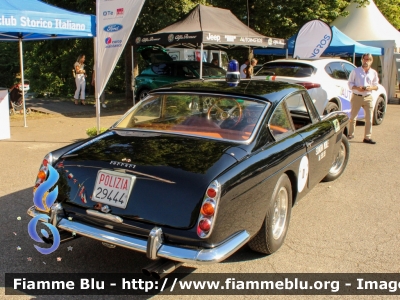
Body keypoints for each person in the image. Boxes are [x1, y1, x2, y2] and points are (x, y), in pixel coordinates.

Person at [347, 53, 379, 144]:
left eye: (368, 59)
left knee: (369, 118)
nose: (366, 61)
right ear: (362, 60)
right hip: (357, 96)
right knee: (353, 117)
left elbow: (376, 86)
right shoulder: (355, 71)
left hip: (368, 97)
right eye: (364, 59)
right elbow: (350, 83)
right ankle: (350, 134)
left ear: (371, 61)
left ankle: (367, 137)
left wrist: (370, 88)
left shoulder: (373, 72)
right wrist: (357, 88)